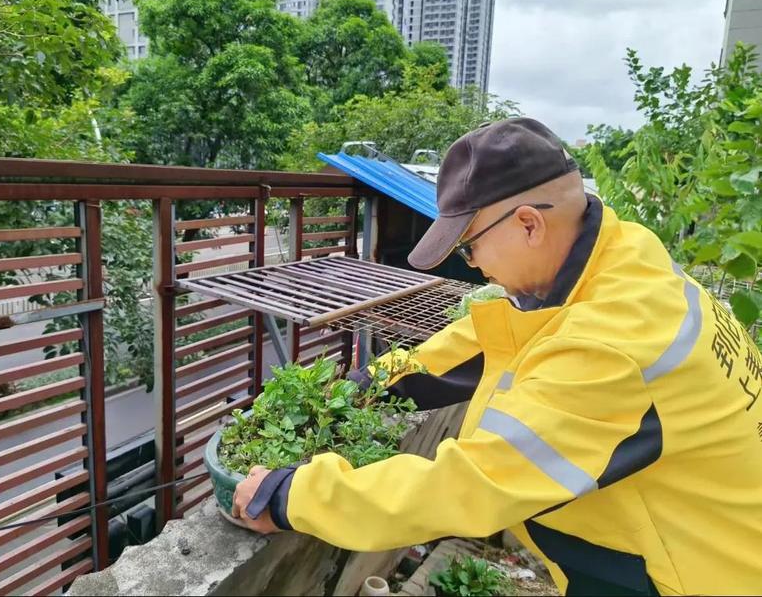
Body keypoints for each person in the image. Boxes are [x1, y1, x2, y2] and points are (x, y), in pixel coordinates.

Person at [231, 118, 762, 596]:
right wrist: (378, 378)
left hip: (690, 577)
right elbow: (503, 338)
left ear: (529, 224)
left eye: (470, 246)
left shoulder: (611, 344)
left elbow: (471, 486)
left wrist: (291, 496)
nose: (475, 266)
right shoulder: (624, 256)